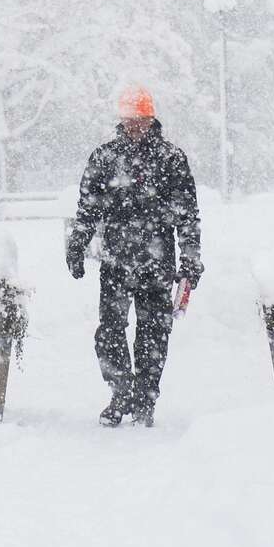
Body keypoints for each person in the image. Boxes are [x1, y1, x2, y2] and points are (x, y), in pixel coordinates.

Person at [66, 86, 203, 427]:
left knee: (153, 333)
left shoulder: (171, 158)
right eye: (129, 121)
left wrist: (190, 259)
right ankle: (120, 393)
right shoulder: (105, 158)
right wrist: (77, 243)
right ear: (121, 121)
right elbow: (87, 207)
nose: (135, 127)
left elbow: (187, 214)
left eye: (141, 121)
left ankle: (145, 399)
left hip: (157, 263)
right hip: (116, 261)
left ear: (152, 119)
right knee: (110, 331)